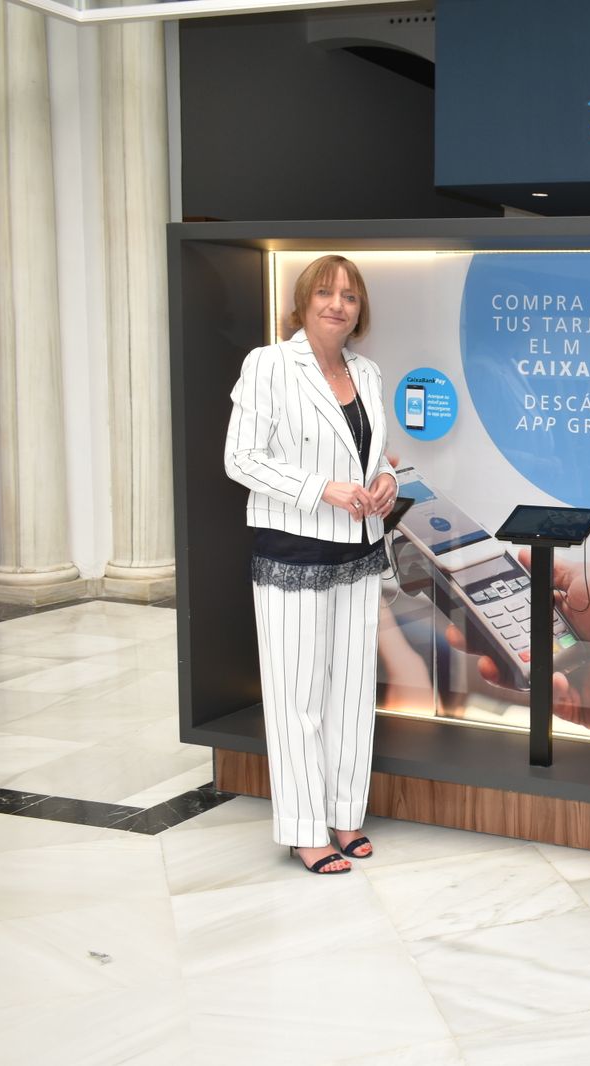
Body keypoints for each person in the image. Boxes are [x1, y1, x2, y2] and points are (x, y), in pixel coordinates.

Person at [224, 254, 398, 874]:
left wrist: (387, 480)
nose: (337, 305)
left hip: (360, 550)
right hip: (293, 551)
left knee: (351, 691)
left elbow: (374, 454)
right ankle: (304, 828)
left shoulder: (368, 372)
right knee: (296, 697)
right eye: (325, 292)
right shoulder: (269, 364)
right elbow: (240, 458)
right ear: (302, 303)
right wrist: (322, 489)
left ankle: (346, 812)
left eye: (349, 296)